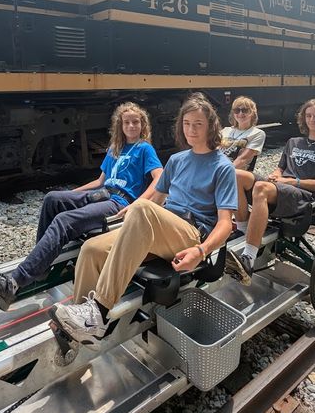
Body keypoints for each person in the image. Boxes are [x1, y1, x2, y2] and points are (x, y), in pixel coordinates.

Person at [49, 93, 237, 346]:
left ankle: (98, 313)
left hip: (190, 233)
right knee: (91, 249)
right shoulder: (177, 160)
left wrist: (201, 251)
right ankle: (76, 328)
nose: (191, 129)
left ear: (211, 126)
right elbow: (157, 197)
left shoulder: (222, 166)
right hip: (160, 227)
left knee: (142, 209)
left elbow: (225, 223)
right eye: (187, 123)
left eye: (198, 124)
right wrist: (134, 211)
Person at [0, 102, 163, 311]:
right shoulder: (115, 149)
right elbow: (100, 182)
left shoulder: (144, 148)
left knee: (64, 221)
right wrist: (71, 194)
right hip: (102, 193)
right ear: (120, 126)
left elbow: (159, 177)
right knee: (52, 199)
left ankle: (12, 284)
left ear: (142, 125)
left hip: (119, 202)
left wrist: (137, 204)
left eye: (136, 122)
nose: (131, 126)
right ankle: (41, 265)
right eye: (127, 122)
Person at [227, 99, 315, 284]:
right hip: (281, 188)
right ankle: (243, 232)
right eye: (309, 115)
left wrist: (291, 181)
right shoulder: (293, 142)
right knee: (234, 174)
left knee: (260, 187)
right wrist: (275, 174)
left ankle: (248, 258)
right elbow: (280, 169)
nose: (312, 119)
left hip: (303, 196)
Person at [219, 96, 266, 170]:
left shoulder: (257, 134)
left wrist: (222, 173)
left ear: (252, 112)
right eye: (237, 110)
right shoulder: (225, 131)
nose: (240, 113)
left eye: (245, 110)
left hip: (237, 173)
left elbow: (243, 160)